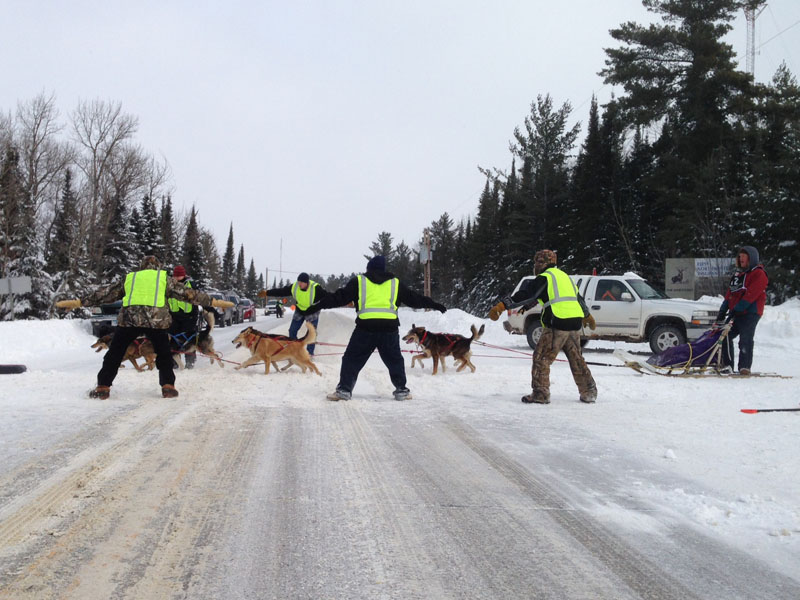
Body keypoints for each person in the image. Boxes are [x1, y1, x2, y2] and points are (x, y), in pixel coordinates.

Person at [55, 255, 233, 399]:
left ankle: (103, 387)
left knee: (115, 353)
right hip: (156, 321)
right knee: (164, 354)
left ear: (142, 267)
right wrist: (213, 302)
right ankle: (168, 386)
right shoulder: (163, 279)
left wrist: (79, 302)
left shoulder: (131, 278)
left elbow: (106, 293)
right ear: (157, 267)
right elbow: (188, 294)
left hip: (129, 320)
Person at [305, 255, 446, 401]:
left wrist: (316, 306)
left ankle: (344, 391)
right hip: (389, 330)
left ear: (369, 268)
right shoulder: (395, 283)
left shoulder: (359, 281)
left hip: (365, 329)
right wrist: (434, 304)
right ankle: (402, 391)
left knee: (351, 359)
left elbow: (338, 298)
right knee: (394, 360)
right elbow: (414, 299)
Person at [488, 249, 597, 404]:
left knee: (541, 358)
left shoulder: (545, 277)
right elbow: (577, 299)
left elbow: (526, 294)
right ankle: (589, 392)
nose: (536, 266)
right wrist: (587, 316)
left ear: (542, 263)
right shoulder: (564, 277)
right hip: (574, 323)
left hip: (557, 323)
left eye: (537, 262)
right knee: (577, 359)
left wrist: (501, 306)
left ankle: (541, 394)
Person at [717, 246, 768, 375]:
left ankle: (744, 367)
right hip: (737, 312)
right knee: (725, 336)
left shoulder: (759, 274)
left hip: (751, 312)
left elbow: (751, 295)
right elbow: (730, 294)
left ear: (751, 258)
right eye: (739, 257)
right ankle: (727, 364)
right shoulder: (738, 275)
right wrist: (723, 310)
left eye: (744, 256)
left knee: (745, 338)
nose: (741, 259)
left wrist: (737, 308)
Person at [259, 272, 328, 355]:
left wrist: (339, 300)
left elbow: (328, 297)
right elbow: (281, 291)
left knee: (311, 333)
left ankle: (309, 353)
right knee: (292, 330)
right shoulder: (294, 287)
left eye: (302, 282)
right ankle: (295, 350)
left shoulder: (316, 289)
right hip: (300, 310)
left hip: (312, 311)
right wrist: (267, 293)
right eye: (298, 282)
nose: (299, 284)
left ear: (307, 283)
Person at [168, 265, 200, 369]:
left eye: (179, 276)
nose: (177, 278)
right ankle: (174, 361)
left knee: (189, 340)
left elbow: (197, 299)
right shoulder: (170, 284)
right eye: (175, 276)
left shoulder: (191, 284)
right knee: (173, 339)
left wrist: (194, 316)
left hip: (189, 316)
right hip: (174, 316)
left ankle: (190, 361)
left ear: (184, 275)